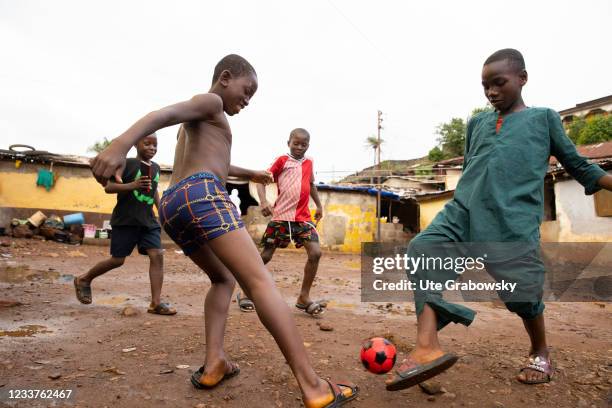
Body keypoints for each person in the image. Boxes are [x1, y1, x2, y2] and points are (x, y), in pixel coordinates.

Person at [89, 54, 358, 407]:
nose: (247, 101)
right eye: (247, 91)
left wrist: (251, 174)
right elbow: (162, 115)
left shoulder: (205, 124)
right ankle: (314, 386)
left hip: (174, 204)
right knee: (259, 280)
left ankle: (214, 360)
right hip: (203, 194)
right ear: (226, 77)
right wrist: (120, 144)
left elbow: (218, 162)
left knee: (223, 279)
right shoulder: (211, 101)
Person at [385, 48, 612, 391]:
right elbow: (473, 167)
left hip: (511, 221)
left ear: (522, 78)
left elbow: (578, 166)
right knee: (422, 251)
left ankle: (540, 349)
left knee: (522, 295)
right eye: (485, 86)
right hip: (463, 211)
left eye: (499, 83)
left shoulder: (543, 119)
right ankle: (427, 349)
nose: (491, 92)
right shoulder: (477, 122)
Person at [74, 133, 176, 315]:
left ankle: (156, 303)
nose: (152, 148)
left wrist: (161, 211)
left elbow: (153, 191)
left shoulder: (156, 168)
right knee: (117, 260)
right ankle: (84, 279)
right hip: (126, 219)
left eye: (155, 145)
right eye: (147, 144)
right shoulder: (126, 163)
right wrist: (133, 185)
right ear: (136, 144)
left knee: (157, 255)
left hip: (148, 221)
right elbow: (109, 187)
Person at [236, 128, 325, 316]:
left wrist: (318, 205)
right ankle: (245, 292)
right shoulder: (282, 161)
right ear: (289, 143)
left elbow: (311, 184)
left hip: (303, 219)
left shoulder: (309, 162)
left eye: (304, 144)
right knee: (266, 256)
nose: (299, 147)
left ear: (308, 145)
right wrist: (263, 201)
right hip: (281, 217)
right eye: (296, 143)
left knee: (315, 253)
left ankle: (303, 297)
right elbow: (260, 181)